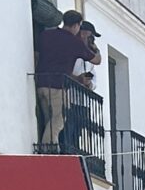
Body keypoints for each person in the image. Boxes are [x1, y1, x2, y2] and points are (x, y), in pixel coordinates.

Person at [35, 10, 99, 150]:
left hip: (41, 83)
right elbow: (97, 60)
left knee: (49, 120)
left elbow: (37, 56)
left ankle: (52, 147)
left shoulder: (46, 35)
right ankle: (47, 150)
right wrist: (95, 48)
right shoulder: (74, 43)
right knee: (59, 120)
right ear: (77, 25)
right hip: (58, 86)